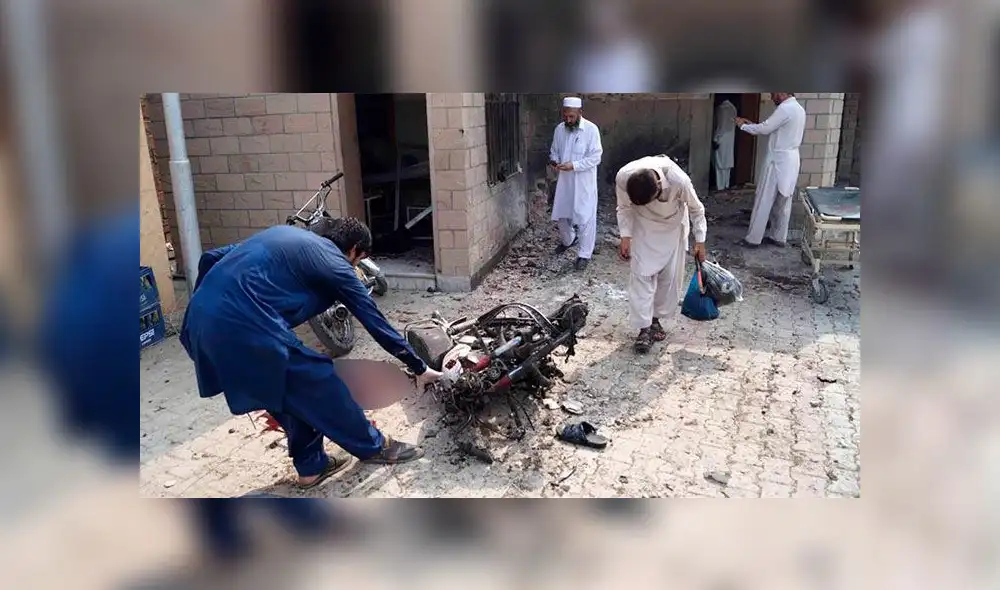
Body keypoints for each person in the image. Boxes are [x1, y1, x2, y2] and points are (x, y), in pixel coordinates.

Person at [180, 218, 442, 490]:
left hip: (199, 320)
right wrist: (419, 367)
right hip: (243, 325)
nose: (355, 266)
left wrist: (206, 304)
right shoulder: (337, 265)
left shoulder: (286, 235)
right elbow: (376, 323)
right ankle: (373, 447)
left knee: (283, 390)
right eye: (358, 260)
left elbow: (211, 257)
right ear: (354, 250)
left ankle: (311, 467)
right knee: (319, 380)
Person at [616, 155, 707, 354]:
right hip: (642, 229)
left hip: (672, 228)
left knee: (668, 279)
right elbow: (623, 208)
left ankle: (655, 320)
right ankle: (644, 329)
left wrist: (699, 240)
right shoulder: (624, 177)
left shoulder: (678, 180)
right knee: (641, 276)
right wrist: (625, 237)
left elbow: (696, 209)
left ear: (658, 186)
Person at [734, 92, 806, 247]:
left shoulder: (785, 109)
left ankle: (753, 239)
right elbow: (773, 127)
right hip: (791, 159)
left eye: (774, 94)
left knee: (764, 199)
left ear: (782, 93)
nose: (772, 97)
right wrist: (753, 124)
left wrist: (743, 126)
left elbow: (765, 129)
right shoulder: (799, 109)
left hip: (777, 161)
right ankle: (778, 237)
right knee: (783, 201)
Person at [549, 96, 604, 271]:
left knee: (585, 217)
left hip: (584, 181)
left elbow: (596, 157)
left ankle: (584, 254)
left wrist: (574, 165)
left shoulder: (591, 130)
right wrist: (555, 160)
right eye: (565, 116)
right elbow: (554, 150)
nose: (568, 120)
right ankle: (568, 240)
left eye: (572, 116)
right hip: (564, 181)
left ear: (580, 113)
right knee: (562, 214)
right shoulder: (559, 129)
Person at [713, 98, 738, 190]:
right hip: (730, 138)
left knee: (719, 163)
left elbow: (721, 126)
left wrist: (715, 138)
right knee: (727, 162)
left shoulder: (721, 109)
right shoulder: (733, 108)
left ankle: (719, 186)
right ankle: (726, 185)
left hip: (721, 138)